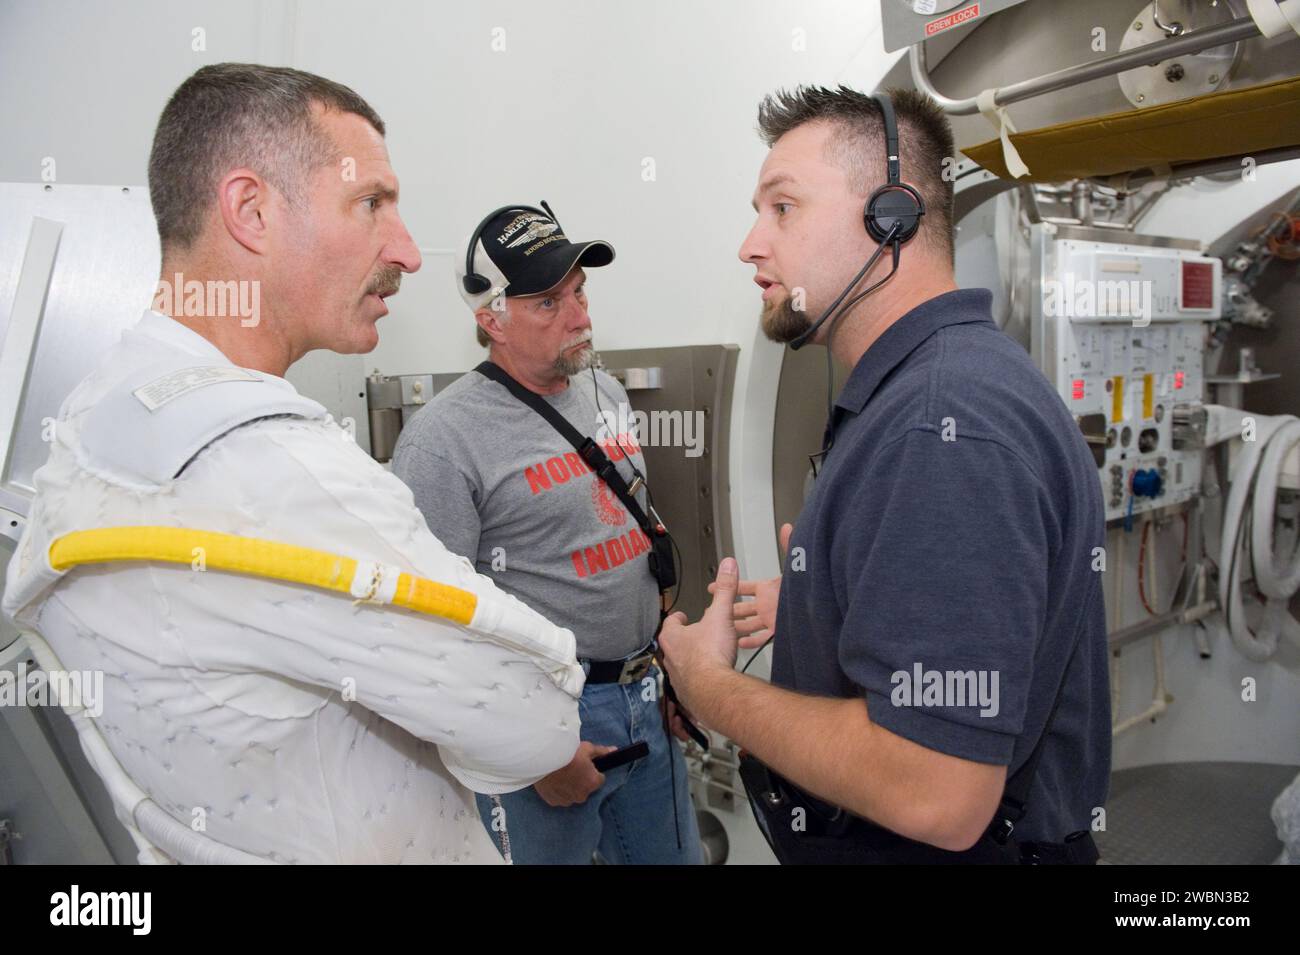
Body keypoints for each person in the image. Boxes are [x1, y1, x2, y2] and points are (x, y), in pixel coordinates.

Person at [1, 64, 582, 864]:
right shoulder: (274, 468)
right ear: (250, 210)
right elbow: (536, 720)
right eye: (371, 202)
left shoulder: (89, 425)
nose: (408, 252)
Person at [659, 86, 1109, 864]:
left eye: (783, 208)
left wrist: (712, 690)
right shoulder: (951, 381)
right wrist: (825, 602)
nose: (750, 244)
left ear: (887, 217)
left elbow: (936, 790)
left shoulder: (941, 423)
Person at [391, 203, 702, 864]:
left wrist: (671, 668)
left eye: (581, 291)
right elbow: (435, 630)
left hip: (647, 695)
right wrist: (529, 756)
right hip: (545, 716)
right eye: (548, 301)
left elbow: (642, 532)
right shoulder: (443, 442)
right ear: (491, 318)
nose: (580, 314)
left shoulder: (607, 395)